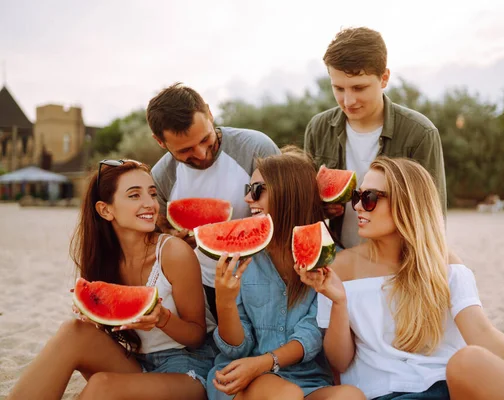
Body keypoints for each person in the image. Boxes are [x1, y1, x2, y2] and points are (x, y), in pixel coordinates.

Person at [297, 157, 504, 400]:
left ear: (407, 203)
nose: (357, 207)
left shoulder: (443, 262)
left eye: (369, 198)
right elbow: (339, 362)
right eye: (356, 197)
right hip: (385, 393)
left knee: (469, 360)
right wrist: (339, 303)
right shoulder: (341, 267)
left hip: (449, 385)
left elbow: (481, 332)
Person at [8, 159, 216, 400]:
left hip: (188, 369)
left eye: (151, 193)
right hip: (136, 363)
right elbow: (121, 331)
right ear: (105, 210)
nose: (149, 204)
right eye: (134, 195)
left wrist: (162, 318)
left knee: (102, 385)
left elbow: (197, 336)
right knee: (73, 331)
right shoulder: (103, 261)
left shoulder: (173, 253)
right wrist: (97, 317)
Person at [207, 148, 365, 400]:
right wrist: (224, 302)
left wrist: (267, 362)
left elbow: (313, 333)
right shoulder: (242, 256)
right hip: (244, 377)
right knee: (285, 395)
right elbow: (237, 348)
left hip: (306, 377)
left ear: (288, 195)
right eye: (248, 189)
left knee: (350, 396)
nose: (248, 199)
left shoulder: (329, 256)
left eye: (258, 190)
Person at [146, 83, 280, 326]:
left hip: (266, 281)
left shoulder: (256, 148)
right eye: (186, 150)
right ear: (160, 142)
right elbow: (158, 235)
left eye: (205, 139)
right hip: (203, 287)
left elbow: (286, 210)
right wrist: (173, 238)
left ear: (209, 113)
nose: (201, 153)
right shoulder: (161, 177)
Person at [304, 27, 446, 249]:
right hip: (337, 264)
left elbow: (432, 219)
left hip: (396, 265)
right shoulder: (318, 128)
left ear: (384, 78)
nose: (348, 100)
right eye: (339, 88)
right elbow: (307, 211)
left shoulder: (420, 133)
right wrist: (321, 208)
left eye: (359, 88)